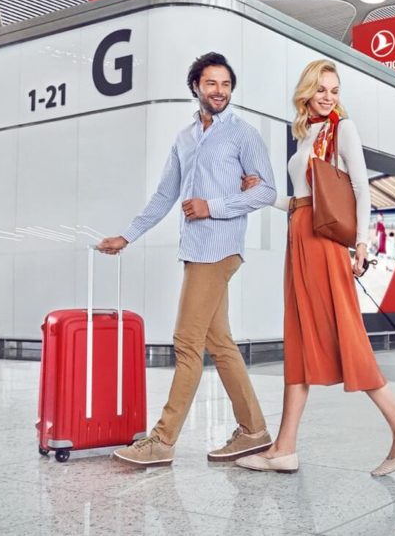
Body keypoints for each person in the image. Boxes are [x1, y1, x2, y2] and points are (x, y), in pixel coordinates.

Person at [236, 59, 395, 476]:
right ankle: (285, 447)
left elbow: (360, 189)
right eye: (321, 89)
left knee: (345, 334)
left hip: (323, 244)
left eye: (335, 90)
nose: (328, 96)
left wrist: (361, 245)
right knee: (300, 337)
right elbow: (301, 200)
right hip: (300, 235)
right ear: (306, 91)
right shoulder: (305, 135)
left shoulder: (343, 129)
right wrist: (263, 194)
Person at [98, 52, 277, 467]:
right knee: (219, 342)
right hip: (195, 250)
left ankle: (162, 440)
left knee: (186, 342)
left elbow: (265, 191)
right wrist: (128, 235)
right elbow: (166, 194)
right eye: (212, 83)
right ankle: (254, 431)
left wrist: (212, 206)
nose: (220, 91)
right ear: (196, 86)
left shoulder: (243, 134)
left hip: (220, 249)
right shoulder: (185, 138)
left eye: (226, 84)